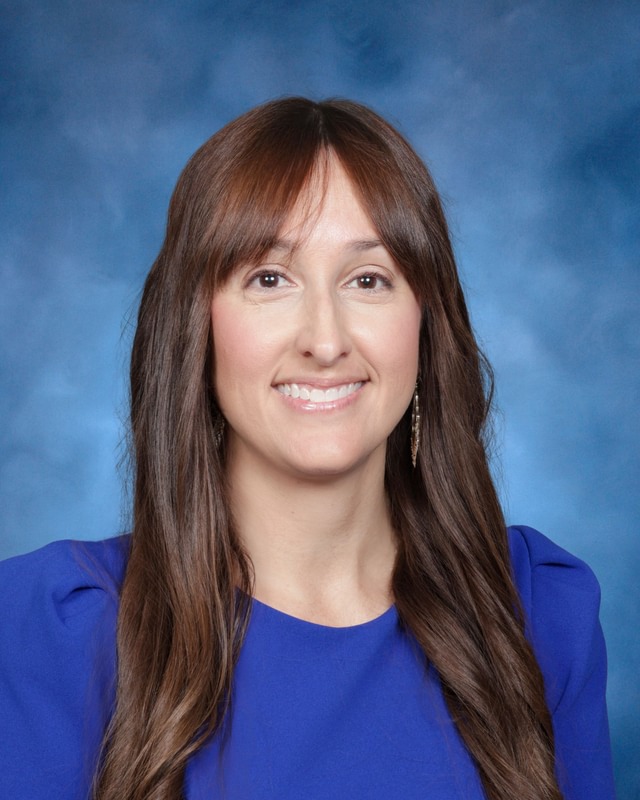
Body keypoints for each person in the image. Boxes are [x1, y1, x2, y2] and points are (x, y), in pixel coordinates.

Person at [0, 98, 615, 800]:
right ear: (195, 327)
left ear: (425, 324)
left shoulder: (539, 612)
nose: (325, 340)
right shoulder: (53, 630)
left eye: (368, 279)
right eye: (269, 278)